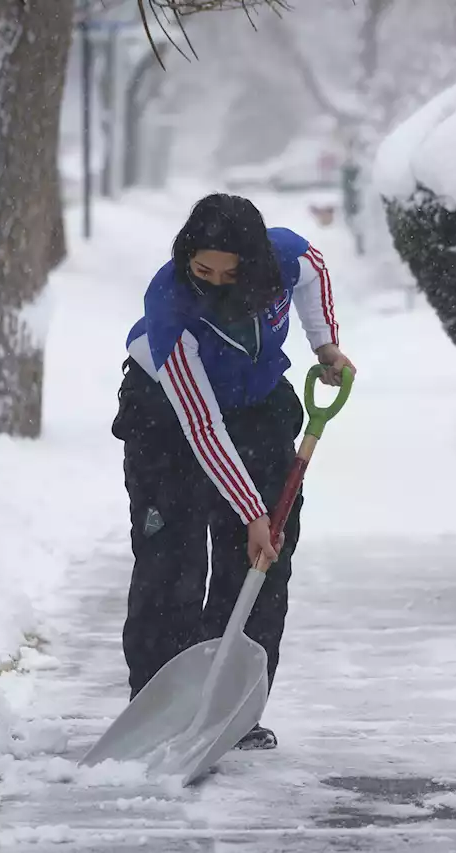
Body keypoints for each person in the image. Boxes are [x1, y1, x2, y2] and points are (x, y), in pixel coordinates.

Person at [111, 193, 355, 750]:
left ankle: (230, 710)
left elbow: (312, 267)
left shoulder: (281, 257)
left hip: (259, 405)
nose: (216, 282)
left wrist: (325, 344)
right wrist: (252, 512)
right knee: (171, 559)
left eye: (230, 271)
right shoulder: (169, 305)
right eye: (203, 270)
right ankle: (160, 707)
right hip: (167, 417)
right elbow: (201, 427)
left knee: (259, 564)